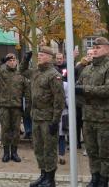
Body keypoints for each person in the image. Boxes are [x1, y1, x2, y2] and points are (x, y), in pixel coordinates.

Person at [75, 37, 109, 187]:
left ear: (108, 50)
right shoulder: (87, 68)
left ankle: (103, 180)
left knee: (104, 153)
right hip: (88, 116)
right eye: (94, 47)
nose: (95, 49)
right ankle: (94, 177)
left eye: (99, 47)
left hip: (104, 118)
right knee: (92, 150)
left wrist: (86, 91)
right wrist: (84, 96)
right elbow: (77, 88)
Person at [20, 48, 65, 187]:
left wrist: (55, 121)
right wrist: (26, 59)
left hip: (48, 118)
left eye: (42, 55)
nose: (39, 57)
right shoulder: (36, 72)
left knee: (49, 149)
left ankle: (50, 179)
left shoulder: (54, 75)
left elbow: (59, 100)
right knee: (38, 148)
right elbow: (22, 71)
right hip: (36, 117)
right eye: (38, 55)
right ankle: (43, 175)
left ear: (50, 57)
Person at [0, 53, 30, 162]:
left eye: (13, 60)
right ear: (6, 61)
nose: (11, 62)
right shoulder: (0, 72)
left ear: (16, 61)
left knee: (15, 130)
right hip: (4, 106)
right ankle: (6, 153)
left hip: (17, 106)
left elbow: (27, 91)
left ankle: (14, 152)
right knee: (5, 129)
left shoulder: (21, 73)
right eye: (9, 60)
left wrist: (27, 107)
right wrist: (0, 61)